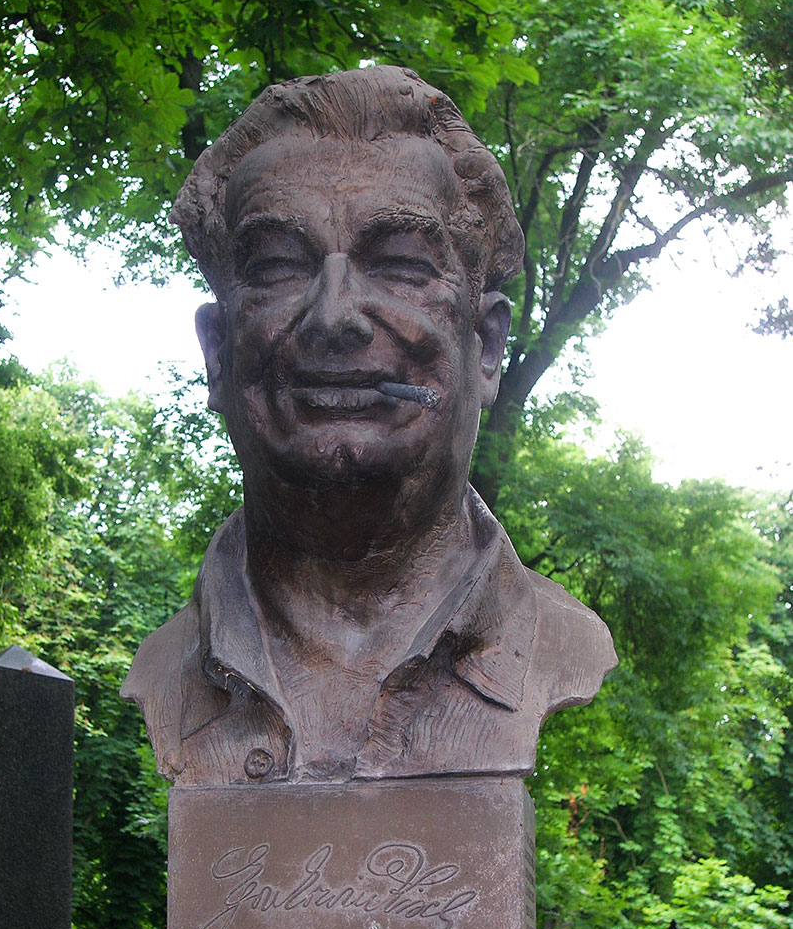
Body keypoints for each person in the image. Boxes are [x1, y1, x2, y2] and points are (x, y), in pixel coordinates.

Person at [122, 66, 616, 785]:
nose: (334, 317)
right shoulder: (166, 668)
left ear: (485, 348)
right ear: (220, 353)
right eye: (281, 267)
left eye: (402, 266)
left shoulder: (565, 647)